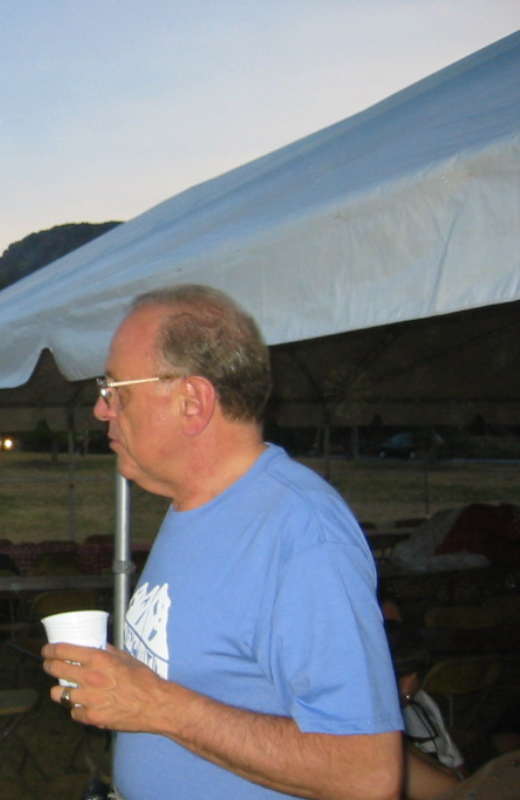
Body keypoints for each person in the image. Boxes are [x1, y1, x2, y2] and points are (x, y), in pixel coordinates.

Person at [42, 285, 403, 800]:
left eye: (117, 387)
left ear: (192, 401)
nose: (102, 409)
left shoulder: (300, 533)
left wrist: (157, 706)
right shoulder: (194, 505)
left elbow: (367, 774)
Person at [384, 620, 462, 799]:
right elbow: (447, 787)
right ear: (411, 680)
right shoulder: (365, 725)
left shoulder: (420, 705)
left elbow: (454, 768)